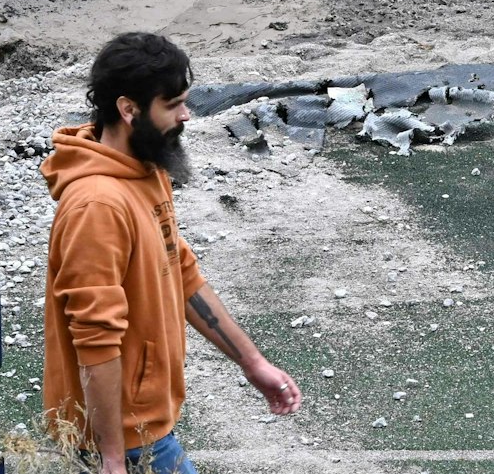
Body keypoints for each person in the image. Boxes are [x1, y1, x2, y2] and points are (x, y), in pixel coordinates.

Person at [42, 32, 301, 474]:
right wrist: (111, 458)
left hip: (143, 430)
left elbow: (180, 273)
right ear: (129, 109)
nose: (186, 115)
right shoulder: (97, 206)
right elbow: (95, 336)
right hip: (124, 441)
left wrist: (252, 362)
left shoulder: (144, 169)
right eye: (173, 104)